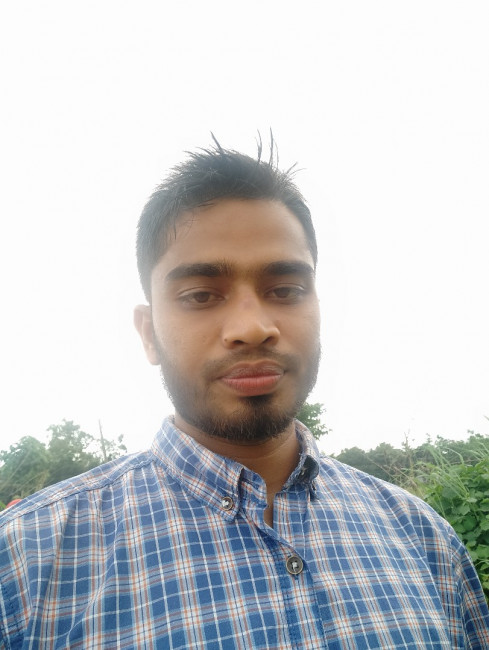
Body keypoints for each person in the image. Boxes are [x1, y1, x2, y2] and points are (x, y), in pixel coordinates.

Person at [0, 142, 488, 649]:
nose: (253, 328)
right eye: (201, 295)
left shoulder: (424, 537)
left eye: (285, 290)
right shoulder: (25, 564)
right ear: (148, 334)